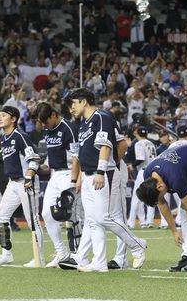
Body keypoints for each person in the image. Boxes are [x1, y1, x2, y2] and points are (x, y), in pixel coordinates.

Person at [61, 88, 146, 272]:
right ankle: (99, 261)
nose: (71, 109)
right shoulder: (83, 123)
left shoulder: (101, 117)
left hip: (102, 173)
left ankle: (137, 245)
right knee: (92, 220)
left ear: (84, 101)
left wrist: (101, 171)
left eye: (73, 103)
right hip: (88, 174)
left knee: (103, 217)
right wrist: (81, 176)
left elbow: (106, 146)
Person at [137, 143, 187, 272]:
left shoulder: (174, 176)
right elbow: (162, 203)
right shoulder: (148, 176)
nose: (160, 199)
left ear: (160, 187)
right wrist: (174, 231)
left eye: (158, 196)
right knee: (183, 211)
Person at [0, 106, 45, 267]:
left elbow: (34, 159)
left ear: (13, 119)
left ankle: (39, 257)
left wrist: (29, 176)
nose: (0, 118)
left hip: (25, 181)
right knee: (1, 217)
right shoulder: (4, 138)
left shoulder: (20, 136)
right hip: (12, 183)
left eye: (4, 115)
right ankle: (6, 253)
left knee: (32, 220)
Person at [33, 102, 79, 268]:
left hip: (68, 173)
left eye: (46, 122)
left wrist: (74, 180)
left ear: (54, 115)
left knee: (71, 215)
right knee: (46, 213)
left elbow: (76, 156)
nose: (45, 126)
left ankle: (77, 254)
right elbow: (53, 151)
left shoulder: (69, 128)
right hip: (55, 174)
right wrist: (45, 164)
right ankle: (61, 252)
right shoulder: (47, 129)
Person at [127, 126, 157, 229]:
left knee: (136, 197)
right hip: (152, 171)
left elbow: (140, 159)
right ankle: (149, 221)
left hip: (143, 171)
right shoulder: (151, 143)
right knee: (151, 195)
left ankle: (131, 222)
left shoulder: (139, 143)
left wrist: (132, 165)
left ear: (137, 134)